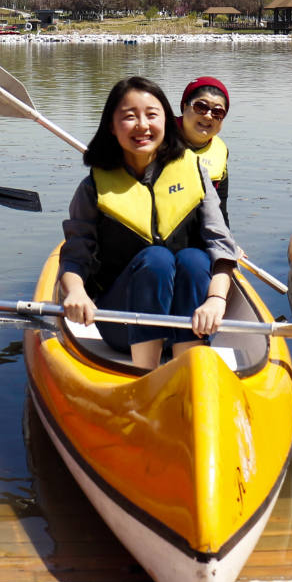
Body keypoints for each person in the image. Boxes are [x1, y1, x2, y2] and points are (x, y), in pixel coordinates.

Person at [59, 76, 239, 371]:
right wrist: (76, 293)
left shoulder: (193, 172)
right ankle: (146, 373)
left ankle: (186, 368)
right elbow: (75, 256)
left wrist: (217, 300)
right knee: (156, 259)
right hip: (124, 326)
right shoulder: (93, 187)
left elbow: (221, 246)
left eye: (152, 115)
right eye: (129, 117)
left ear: (167, 122)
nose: (143, 125)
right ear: (111, 127)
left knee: (194, 258)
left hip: (191, 319)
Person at [178, 76, 231, 222]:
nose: (208, 116)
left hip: (198, 234)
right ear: (184, 106)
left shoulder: (221, 152)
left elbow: (221, 213)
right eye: (200, 107)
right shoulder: (156, 139)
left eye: (218, 112)